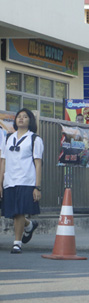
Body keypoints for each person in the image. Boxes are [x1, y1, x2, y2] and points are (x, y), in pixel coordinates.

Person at [0, 108, 44, 254]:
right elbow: (3, 161)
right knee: (12, 212)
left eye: (25, 117)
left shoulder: (35, 139)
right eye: (19, 116)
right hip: (9, 180)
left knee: (19, 211)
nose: (21, 118)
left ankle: (17, 243)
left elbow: (38, 163)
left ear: (30, 121)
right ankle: (29, 225)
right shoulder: (8, 138)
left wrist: (37, 187)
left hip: (26, 180)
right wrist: (0, 182)